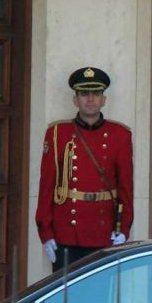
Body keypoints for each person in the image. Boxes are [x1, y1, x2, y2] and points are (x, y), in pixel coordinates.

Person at [35, 67, 133, 271]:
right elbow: (47, 186)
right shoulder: (57, 133)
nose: (90, 99)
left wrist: (123, 228)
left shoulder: (120, 135)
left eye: (96, 94)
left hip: (103, 230)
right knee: (65, 298)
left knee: (101, 296)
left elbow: (126, 187)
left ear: (104, 99)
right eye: (84, 94)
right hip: (67, 231)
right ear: (75, 100)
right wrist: (45, 231)